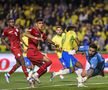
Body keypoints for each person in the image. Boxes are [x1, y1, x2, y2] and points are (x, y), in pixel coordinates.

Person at [24, 18, 56, 87]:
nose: (41, 24)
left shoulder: (41, 33)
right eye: (39, 23)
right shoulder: (33, 30)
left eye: (42, 23)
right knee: (49, 62)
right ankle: (35, 75)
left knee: (44, 69)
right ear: (36, 24)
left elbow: (47, 39)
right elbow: (26, 33)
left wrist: (54, 43)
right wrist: (36, 38)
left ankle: (32, 80)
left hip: (35, 52)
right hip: (32, 51)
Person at [1, 18, 28, 83]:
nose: (12, 23)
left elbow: (19, 39)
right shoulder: (6, 30)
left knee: (18, 64)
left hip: (18, 48)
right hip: (14, 48)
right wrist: (7, 46)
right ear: (8, 23)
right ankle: (28, 77)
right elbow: (2, 39)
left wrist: (23, 46)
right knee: (22, 61)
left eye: (13, 22)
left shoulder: (16, 29)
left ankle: (7, 74)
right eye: (11, 22)